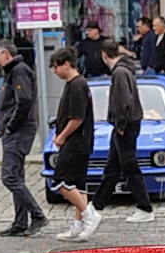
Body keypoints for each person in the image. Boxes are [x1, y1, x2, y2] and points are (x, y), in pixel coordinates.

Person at [91, 38, 154, 226]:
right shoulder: (126, 70)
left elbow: (123, 102)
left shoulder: (119, 73)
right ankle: (96, 205)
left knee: (129, 166)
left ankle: (145, 207)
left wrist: (120, 125)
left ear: (104, 56)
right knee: (113, 167)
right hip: (127, 124)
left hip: (125, 126)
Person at [0, 39, 47, 238]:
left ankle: (37, 214)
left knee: (9, 176)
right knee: (16, 176)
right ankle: (20, 222)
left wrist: (10, 127)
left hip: (18, 132)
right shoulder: (13, 71)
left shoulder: (19, 71)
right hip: (15, 131)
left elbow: (23, 101)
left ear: (6, 54)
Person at [49, 47, 98, 242]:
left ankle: (89, 216)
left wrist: (61, 137)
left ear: (66, 64)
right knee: (79, 184)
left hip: (76, 142)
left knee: (60, 181)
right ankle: (78, 226)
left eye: (56, 67)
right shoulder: (75, 84)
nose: (54, 71)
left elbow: (77, 118)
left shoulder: (78, 85)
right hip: (80, 142)